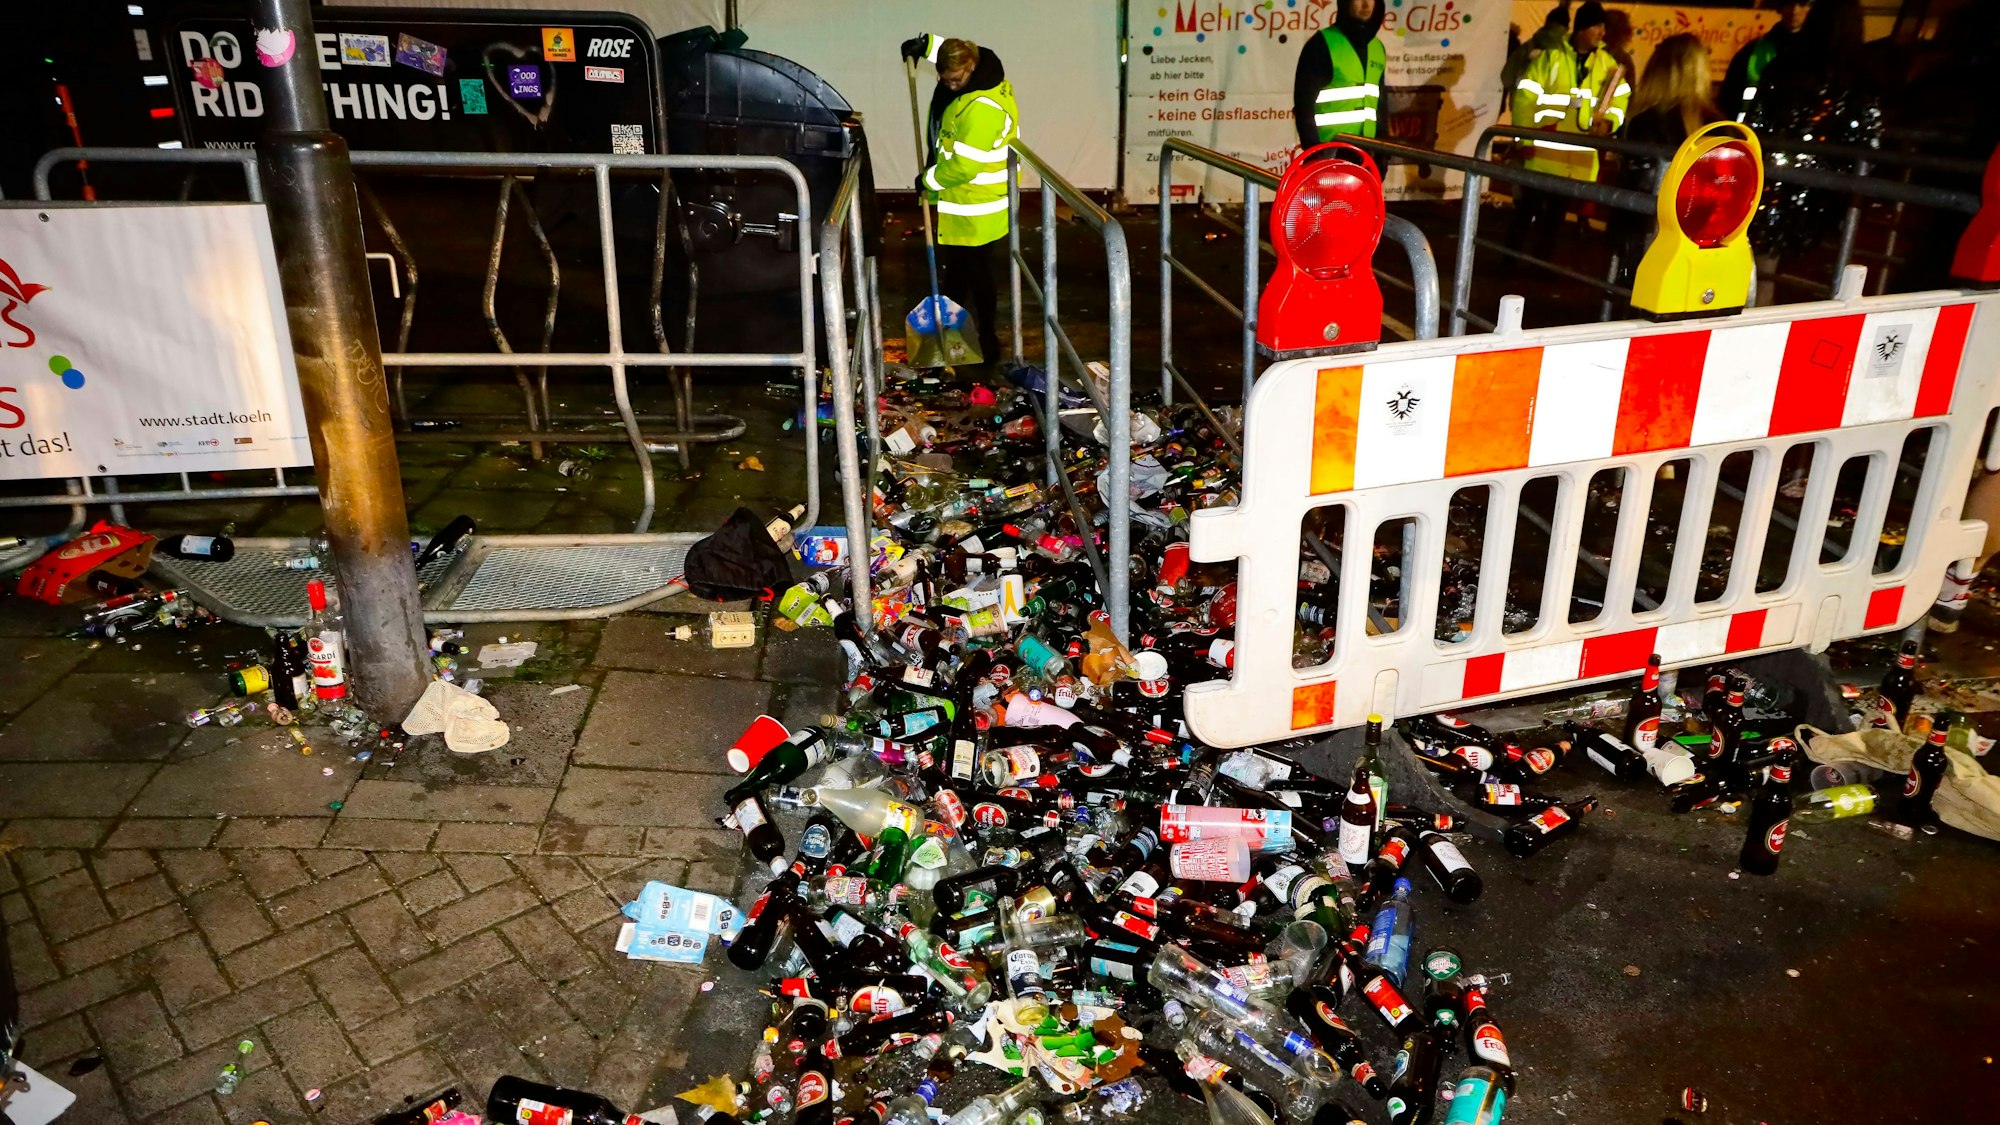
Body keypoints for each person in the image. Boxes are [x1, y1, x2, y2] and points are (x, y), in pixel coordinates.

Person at [900, 32, 1018, 365]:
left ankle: (986, 339)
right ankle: (952, 336)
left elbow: (965, 166)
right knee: (957, 271)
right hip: (962, 200)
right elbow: (955, 49)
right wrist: (926, 45)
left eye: (956, 80)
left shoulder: (981, 108)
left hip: (978, 203)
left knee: (978, 274)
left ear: (971, 69)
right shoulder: (981, 64)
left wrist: (928, 180)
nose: (951, 86)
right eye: (945, 79)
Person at [1506, 1, 1630, 261]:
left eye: (1603, 27)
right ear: (1582, 28)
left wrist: (1609, 123)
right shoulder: (1549, 58)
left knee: (1555, 218)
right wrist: (1524, 140)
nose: (1602, 32)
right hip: (1542, 154)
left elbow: (1620, 100)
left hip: (1575, 160)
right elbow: (1524, 100)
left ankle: (1540, 265)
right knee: (1526, 210)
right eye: (1597, 26)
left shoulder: (1607, 64)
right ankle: (1508, 260)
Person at [1609, 33, 1718, 280]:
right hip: (1700, 232)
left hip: (1648, 231)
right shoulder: (1718, 124)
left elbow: (1637, 185)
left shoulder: (1645, 120)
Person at [1292, 0, 1387, 146]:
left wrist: (1382, 148)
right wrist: (1314, 150)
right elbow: (1304, 104)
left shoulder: (1378, 47)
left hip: (1368, 149)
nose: (1366, 4)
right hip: (1329, 148)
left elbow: (1381, 103)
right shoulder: (1322, 43)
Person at [1718, 0, 1814, 121]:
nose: (1794, 10)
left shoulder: (1822, 53)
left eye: (1802, 3)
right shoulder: (1752, 51)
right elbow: (1728, 101)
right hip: (1751, 129)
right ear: (1779, 7)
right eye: (1789, 3)